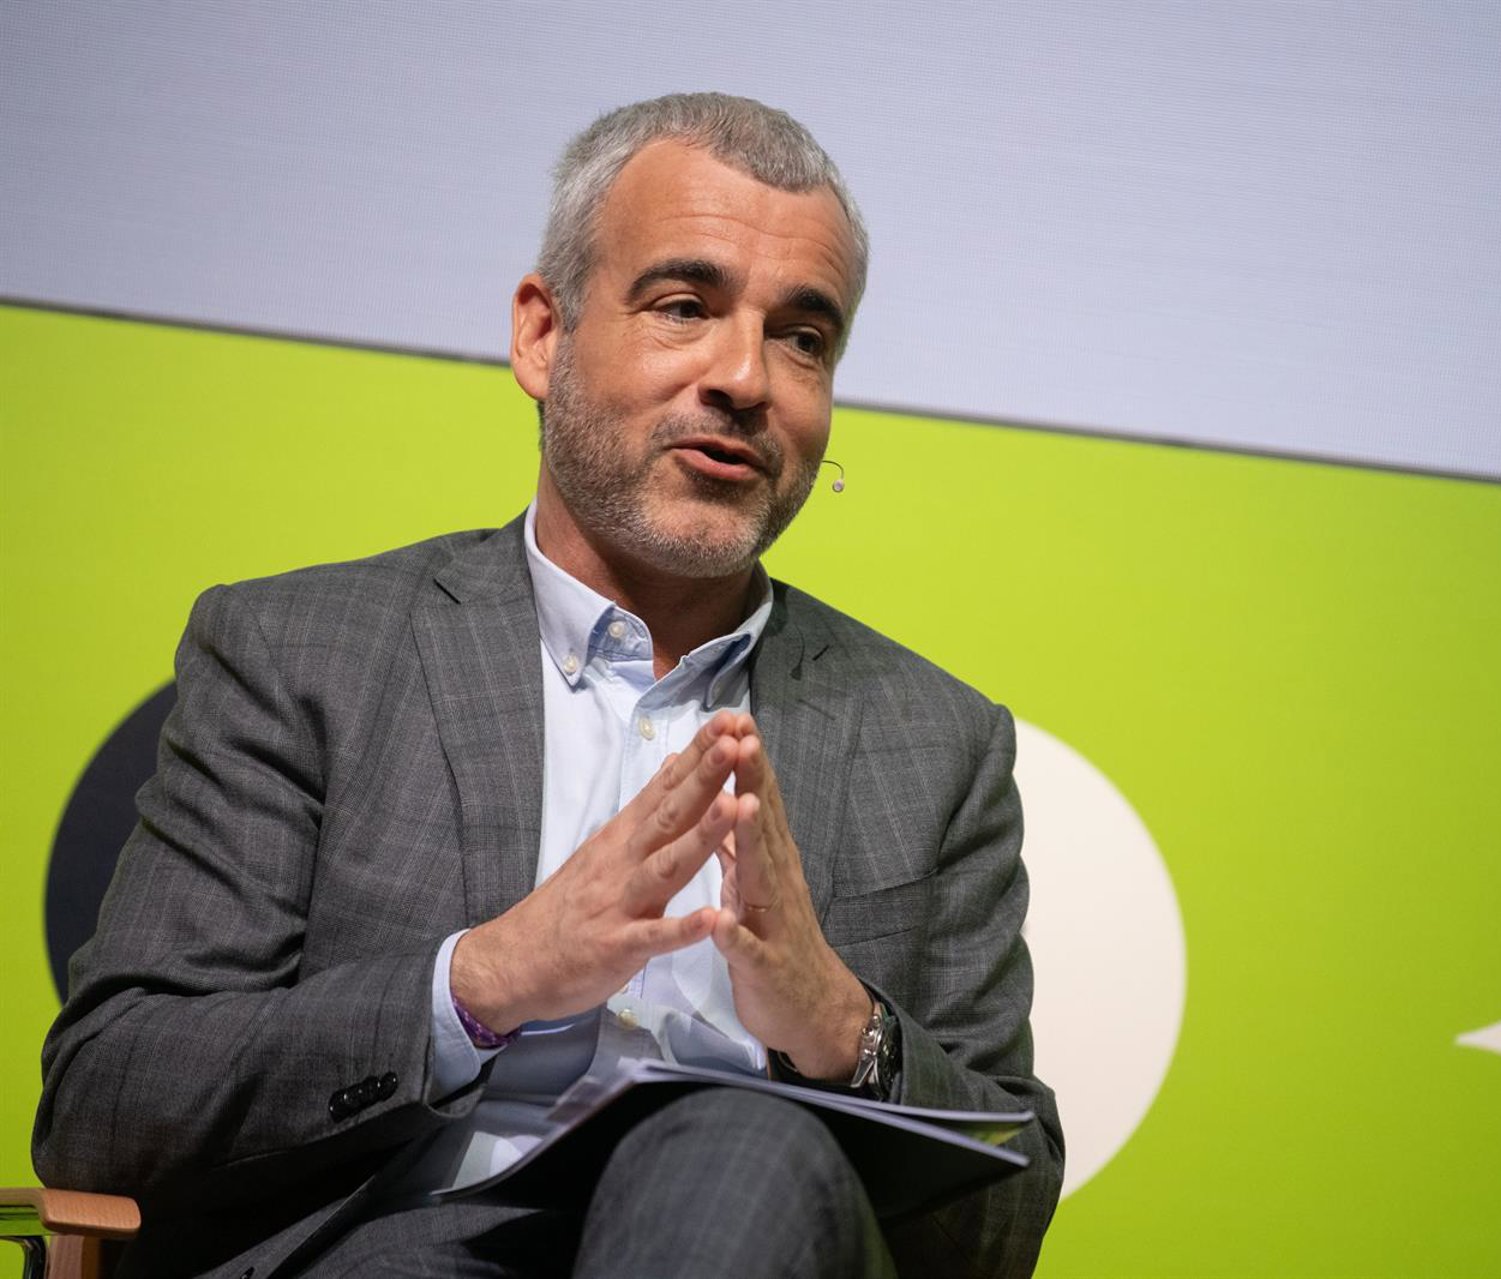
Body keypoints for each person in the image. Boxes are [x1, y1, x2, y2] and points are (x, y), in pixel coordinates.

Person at [35, 92, 1063, 1278]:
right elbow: (108, 1105)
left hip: (741, 1232)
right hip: (389, 1255)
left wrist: (841, 1025)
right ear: (542, 334)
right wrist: (484, 982)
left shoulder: (933, 743)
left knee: (732, 1142)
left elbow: (1003, 1221)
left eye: (802, 338)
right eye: (685, 306)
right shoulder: (300, 654)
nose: (745, 376)